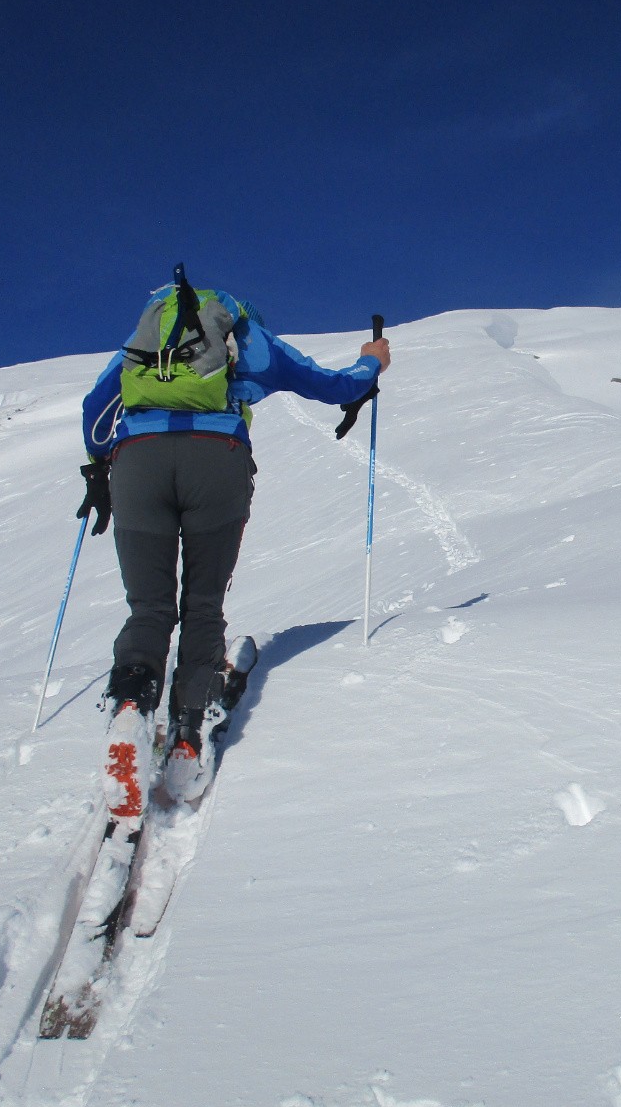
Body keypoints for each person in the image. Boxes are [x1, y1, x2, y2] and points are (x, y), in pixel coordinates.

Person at [77, 267, 388, 801]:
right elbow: (333, 385)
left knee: (148, 608)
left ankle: (130, 709)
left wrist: (100, 471)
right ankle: (187, 742)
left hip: (137, 463)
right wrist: (373, 361)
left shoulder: (147, 338)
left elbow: (94, 410)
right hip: (216, 462)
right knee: (201, 607)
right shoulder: (245, 335)